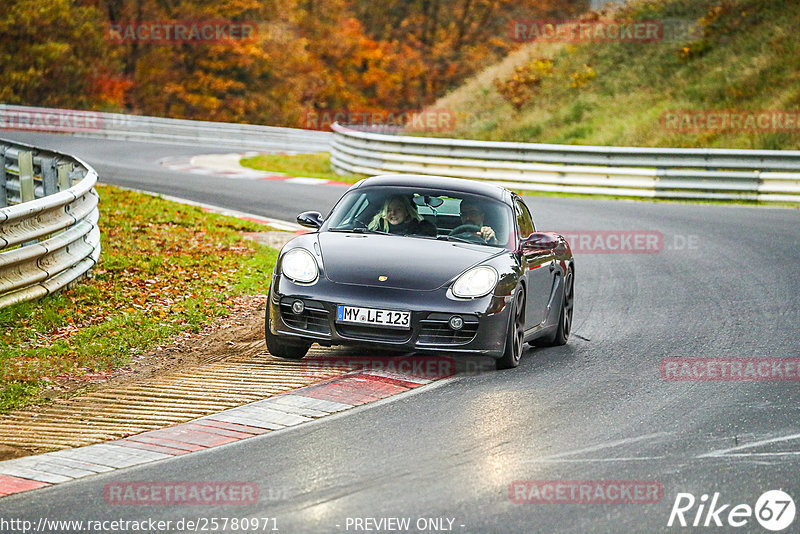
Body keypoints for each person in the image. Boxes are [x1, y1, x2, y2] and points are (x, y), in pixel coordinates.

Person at [368, 195, 436, 236]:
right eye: (389, 210)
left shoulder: (421, 231)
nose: (393, 213)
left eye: (398, 209)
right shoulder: (375, 229)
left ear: (407, 212)